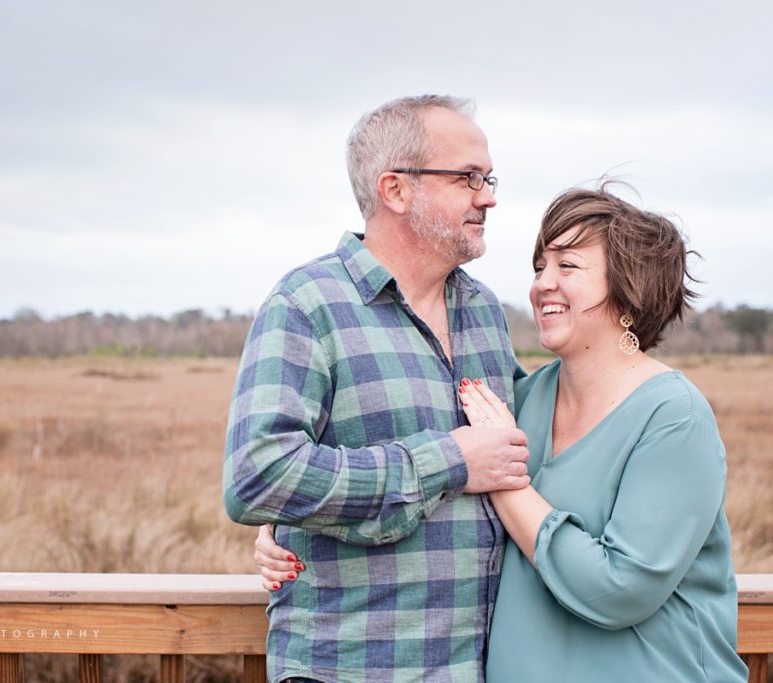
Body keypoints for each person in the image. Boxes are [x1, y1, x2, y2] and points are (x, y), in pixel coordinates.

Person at [256, 185, 749, 681]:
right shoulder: (521, 401)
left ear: (629, 288)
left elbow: (619, 589)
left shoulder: (672, 415)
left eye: (567, 266)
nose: (542, 285)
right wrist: (293, 523)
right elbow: (440, 481)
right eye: (540, 267)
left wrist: (509, 482)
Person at [223, 94, 531, 683]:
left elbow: (528, 450)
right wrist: (451, 459)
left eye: (488, 177)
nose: (488, 195)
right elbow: (257, 475)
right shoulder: (307, 305)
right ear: (395, 189)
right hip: (351, 668)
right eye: (468, 177)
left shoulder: (484, 309)